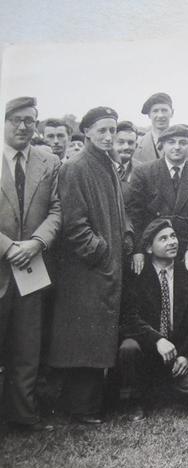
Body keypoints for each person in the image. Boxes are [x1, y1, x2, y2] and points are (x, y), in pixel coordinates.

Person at [48, 106, 133, 424]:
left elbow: (119, 211)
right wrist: (100, 253)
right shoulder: (75, 167)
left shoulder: (107, 164)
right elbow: (75, 225)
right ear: (86, 133)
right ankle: (81, 408)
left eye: (112, 130)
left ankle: (93, 404)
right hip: (87, 270)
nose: (109, 136)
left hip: (106, 266)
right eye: (103, 130)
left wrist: (124, 238)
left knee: (97, 334)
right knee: (83, 336)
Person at [1, 97, 61, 432]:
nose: (23, 127)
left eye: (30, 121)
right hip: (3, 259)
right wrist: (8, 247)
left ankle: (23, 414)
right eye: (16, 120)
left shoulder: (48, 161)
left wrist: (37, 243)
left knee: (28, 343)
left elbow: (56, 209)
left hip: (32, 263)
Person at [118, 219, 188, 421]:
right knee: (128, 348)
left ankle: (164, 388)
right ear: (149, 248)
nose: (172, 242)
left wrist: (187, 356)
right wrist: (157, 340)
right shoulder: (137, 273)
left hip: (178, 351)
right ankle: (136, 400)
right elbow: (129, 319)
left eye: (173, 236)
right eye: (163, 239)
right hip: (148, 348)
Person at [127, 124, 188, 274]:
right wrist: (138, 250)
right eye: (171, 142)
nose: (177, 147)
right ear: (162, 145)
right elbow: (135, 215)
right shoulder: (144, 172)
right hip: (151, 247)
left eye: (183, 142)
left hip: (185, 247)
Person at [133, 92, 173, 163]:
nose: (160, 115)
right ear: (149, 115)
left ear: (172, 112)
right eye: (155, 111)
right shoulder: (136, 145)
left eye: (164, 110)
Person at [113, 120, 141, 204]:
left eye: (130, 143)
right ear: (112, 143)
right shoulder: (98, 168)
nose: (126, 147)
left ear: (136, 146)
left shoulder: (142, 171)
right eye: (121, 142)